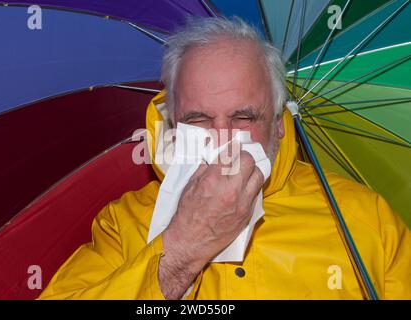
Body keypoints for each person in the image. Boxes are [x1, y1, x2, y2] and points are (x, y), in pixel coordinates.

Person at [39, 17, 411, 300]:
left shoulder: (363, 220)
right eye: (197, 119)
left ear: (279, 123)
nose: (221, 139)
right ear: (171, 124)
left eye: (243, 117)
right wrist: (182, 250)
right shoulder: (125, 224)